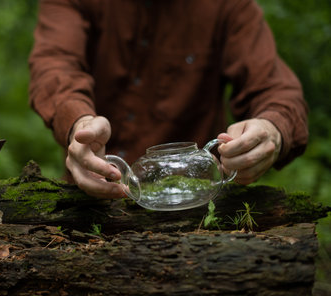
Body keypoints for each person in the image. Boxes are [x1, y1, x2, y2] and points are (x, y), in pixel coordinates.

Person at [28, 0, 308, 199]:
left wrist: (270, 131)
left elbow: (277, 91)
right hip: (89, 211)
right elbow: (55, 66)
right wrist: (80, 124)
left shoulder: (228, 7)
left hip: (194, 214)